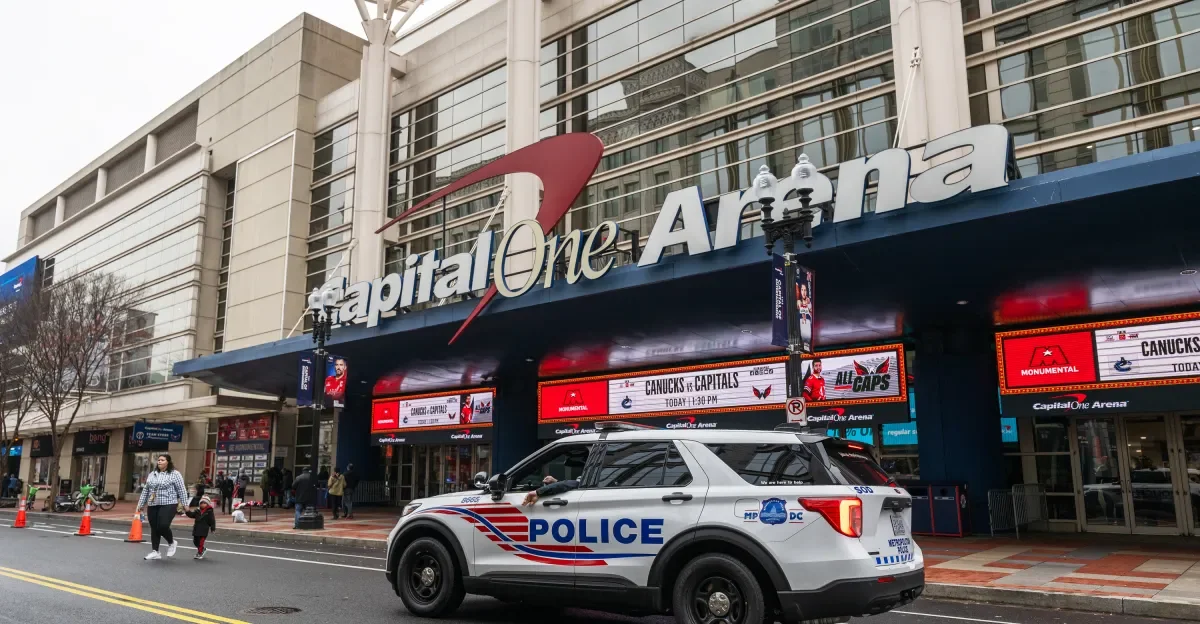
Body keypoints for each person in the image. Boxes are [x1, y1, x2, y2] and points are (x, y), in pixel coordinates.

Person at [135, 454, 188, 561]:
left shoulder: (175, 474)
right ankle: (155, 551)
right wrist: (140, 504)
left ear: (168, 462)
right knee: (154, 527)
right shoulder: (152, 474)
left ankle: (171, 542)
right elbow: (146, 490)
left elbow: (181, 489)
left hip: (169, 503)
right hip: (153, 503)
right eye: (158, 460)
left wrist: (185, 504)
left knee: (163, 525)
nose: (159, 461)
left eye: (162, 460)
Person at [185, 496, 216, 560]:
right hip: (196, 529)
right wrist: (187, 511)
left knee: (201, 542)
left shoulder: (209, 511)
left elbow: (212, 520)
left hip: (204, 530)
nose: (202, 504)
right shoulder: (197, 511)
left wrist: (213, 528)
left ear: (207, 504)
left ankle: (200, 553)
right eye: (201, 503)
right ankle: (202, 549)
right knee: (195, 542)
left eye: (204, 503)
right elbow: (191, 515)